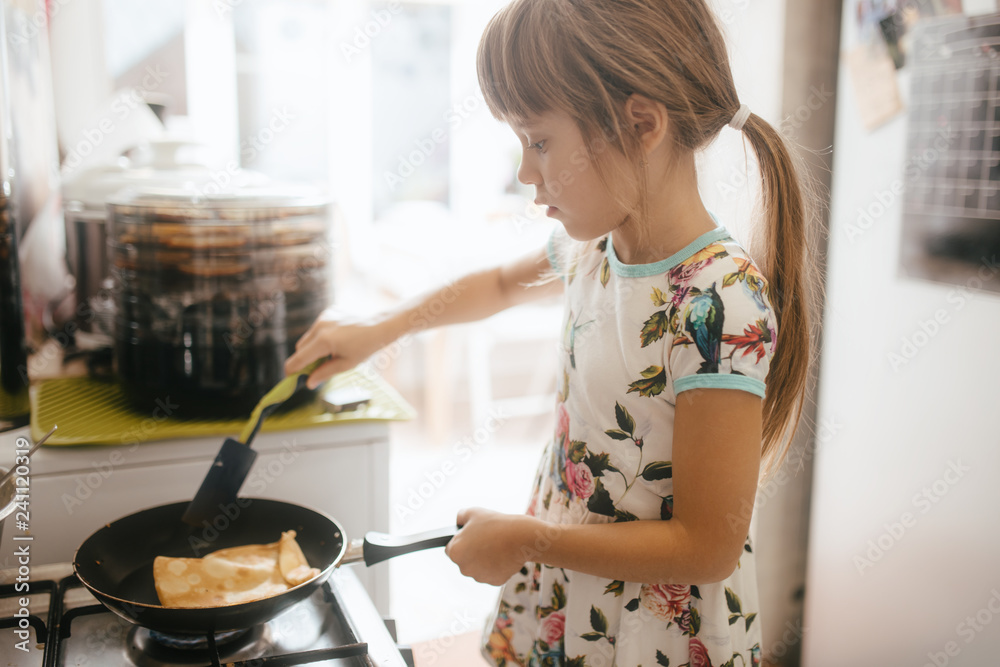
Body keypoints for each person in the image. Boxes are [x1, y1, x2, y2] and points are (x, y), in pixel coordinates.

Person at [285, 0, 816, 664]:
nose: (525, 171)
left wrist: (531, 541)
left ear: (641, 123)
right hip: (576, 583)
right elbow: (500, 284)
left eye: (538, 140)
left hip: (656, 630)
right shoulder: (598, 245)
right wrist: (379, 327)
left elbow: (706, 545)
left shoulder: (719, 302)